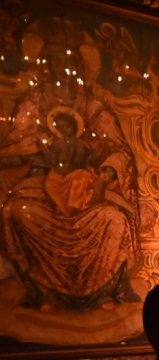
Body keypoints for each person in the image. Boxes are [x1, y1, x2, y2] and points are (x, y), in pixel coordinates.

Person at [0, 19, 140, 312]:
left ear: (80, 66)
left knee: (114, 219)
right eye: (57, 59)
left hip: (87, 185)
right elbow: (15, 146)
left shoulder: (92, 107)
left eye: (71, 61)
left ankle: (107, 291)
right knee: (18, 212)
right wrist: (34, 148)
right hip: (41, 183)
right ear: (46, 64)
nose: (65, 67)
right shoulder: (33, 102)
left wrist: (102, 179)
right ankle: (40, 292)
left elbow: (119, 150)